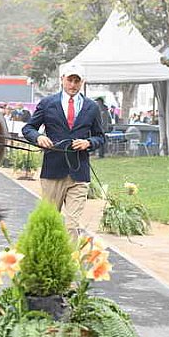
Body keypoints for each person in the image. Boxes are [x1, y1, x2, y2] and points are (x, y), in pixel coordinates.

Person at [22, 65, 105, 235]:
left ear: (82, 82)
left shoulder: (92, 107)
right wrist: (38, 137)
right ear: (62, 79)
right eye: (70, 80)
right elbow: (28, 128)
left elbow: (101, 136)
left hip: (79, 172)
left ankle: (72, 261)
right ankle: (49, 259)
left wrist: (88, 143)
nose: (73, 84)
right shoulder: (47, 104)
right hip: (52, 171)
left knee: (72, 226)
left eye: (77, 81)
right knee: (49, 223)